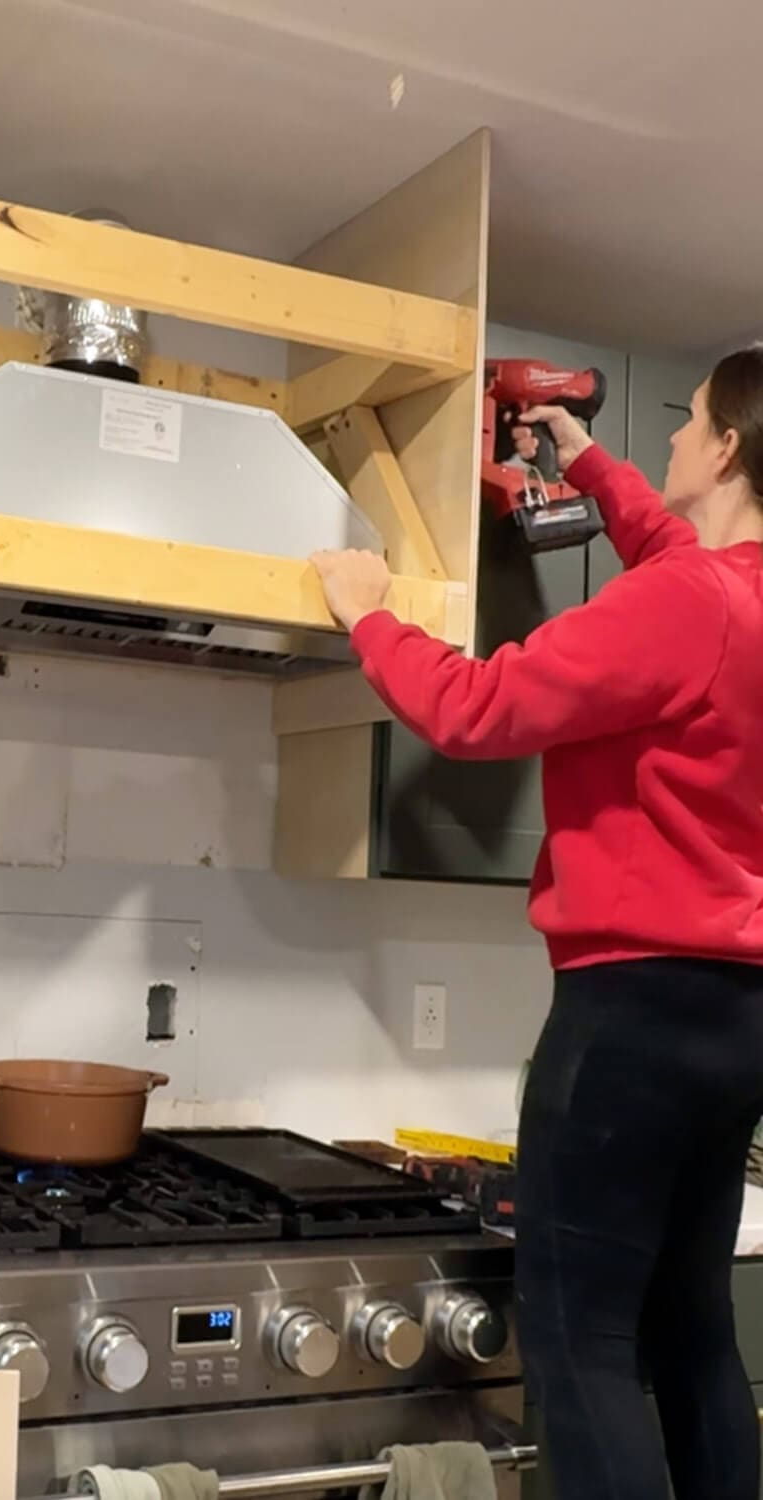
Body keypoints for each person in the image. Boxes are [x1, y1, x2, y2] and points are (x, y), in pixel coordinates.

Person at [310, 348, 763, 1500]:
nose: (668, 441)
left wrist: (366, 615)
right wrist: (583, 458)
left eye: (688, 420)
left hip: (630, 1018)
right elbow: (679, 560)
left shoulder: (688, 604)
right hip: (736, 1022)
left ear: (723, 449)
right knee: (689, 1329)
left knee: (577, 1344)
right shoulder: (731, 597)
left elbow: (476, 709)